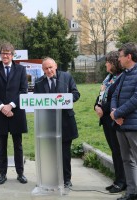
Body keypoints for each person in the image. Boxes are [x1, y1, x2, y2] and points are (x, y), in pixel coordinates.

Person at [110, 42, 137, 200]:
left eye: (121, 56)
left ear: (129, 56)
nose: (119, 60)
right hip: (121, 124)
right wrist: (115, 113)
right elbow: (113, 94)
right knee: (127, 159)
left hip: (136, 125)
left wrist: (118, 113)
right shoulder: (124, 74)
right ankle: (131, 192)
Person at [33, 57, 80, 188]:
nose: (49, 71)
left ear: (56, 66)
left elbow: (76, 93)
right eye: (46, 68)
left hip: (65, 121)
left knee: (65, 153)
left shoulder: (66, 77)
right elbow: (36, 100)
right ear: (42, 70)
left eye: (50, 68)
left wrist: (65, 99)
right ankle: (50, 179)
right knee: (49, 153)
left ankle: (66, 180)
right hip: (47, 123)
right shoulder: (38, 82)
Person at [0, 42, 28, 185]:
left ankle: (20, 173)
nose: (5, 55)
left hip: (16, 113)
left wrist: (10, 106)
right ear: (0, 55)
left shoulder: (21, 70)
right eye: (3, 53)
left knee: (18, 145)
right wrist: (2, 107)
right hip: (0, 114)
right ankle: (2, 174)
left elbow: (24, 90)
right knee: (1, 146)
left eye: (8, 53)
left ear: (13, 55)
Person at [94, 51, 126, 193]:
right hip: (105, 120)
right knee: (114, 150)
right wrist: (96, 105)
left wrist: (103, 109)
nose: (106, 64)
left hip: (113, 119)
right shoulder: (108, 78)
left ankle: (122, 181)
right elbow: (101, 95)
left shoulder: (120, 78)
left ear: (113, 63)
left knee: (118, 151)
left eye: (107, 61)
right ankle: (117, 179)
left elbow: (115, 98)